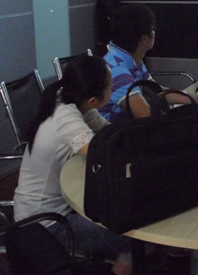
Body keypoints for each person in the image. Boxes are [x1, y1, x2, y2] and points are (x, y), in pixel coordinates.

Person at [14, 55, 132, 275]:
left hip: (47, 208)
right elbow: (101, 157)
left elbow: (107, 133)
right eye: (110, 86)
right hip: (47, 222)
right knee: (132, 238)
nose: (113, 88)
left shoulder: (70, 100)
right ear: (93, 100)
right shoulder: (66, 117)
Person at [98, 3, 198, 123]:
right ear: (144, 39)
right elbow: (145, 115)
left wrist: (194, 99)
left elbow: (156, 91)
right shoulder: (116, 70)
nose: (155, 32)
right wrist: (191, 110)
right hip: (117, 132)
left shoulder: (129, 58)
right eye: (153, 29)